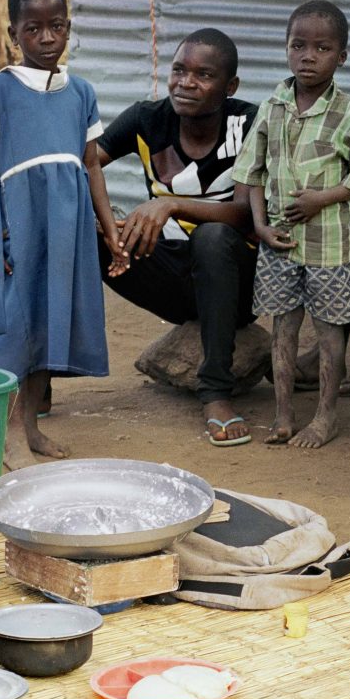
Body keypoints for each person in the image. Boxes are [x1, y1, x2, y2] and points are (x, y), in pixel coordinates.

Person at [0, 0, 124, 462]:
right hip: (18, 219)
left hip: (67, 224)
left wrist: (110, 230)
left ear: (69, 27)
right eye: (33, 29)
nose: (47, 38)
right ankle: (11, 432)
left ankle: (31, 428)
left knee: (47, 321)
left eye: (56, 26)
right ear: (14, 33)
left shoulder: (82, 93)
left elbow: (92, 163)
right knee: (14, 322)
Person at [98, 28, 259, 447]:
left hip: (238, 280)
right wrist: (101, 219)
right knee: (82, 235)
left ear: (230, 86)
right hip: (172, 278)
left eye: (203, 75)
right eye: (179, 70)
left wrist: (169, 204)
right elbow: (80, 163)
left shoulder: (249, 124)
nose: (186, 83)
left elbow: (244, 215)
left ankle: (215, 392)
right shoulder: (147, 120)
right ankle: (45, 376)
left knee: (212, 237)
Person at [238, 0, 350, 450]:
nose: (308, 56)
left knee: (329, 331)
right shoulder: (272, 107)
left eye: (322, 48)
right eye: (298, 45)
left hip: (328, 246)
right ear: (286, 48)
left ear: (340, 57)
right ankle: (282, 415)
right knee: (283, 328)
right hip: (278, 244)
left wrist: (322, 199)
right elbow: (253, 172)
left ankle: (325, 416)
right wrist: (259, 226)